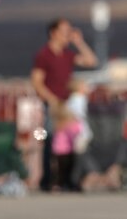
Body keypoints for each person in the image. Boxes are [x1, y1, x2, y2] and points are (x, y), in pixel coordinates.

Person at [31, 18, 97, 191]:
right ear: (53, 33)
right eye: (65, 31)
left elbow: (91, 61)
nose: (68, 34)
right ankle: (48, 179)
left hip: (69, 106)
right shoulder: (44, 55)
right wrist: (52, 100)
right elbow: (37, 82)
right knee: (51, 140)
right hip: (53, 106)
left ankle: (69, 178)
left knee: (72, 142)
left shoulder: (68, 54)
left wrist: (79, 42)